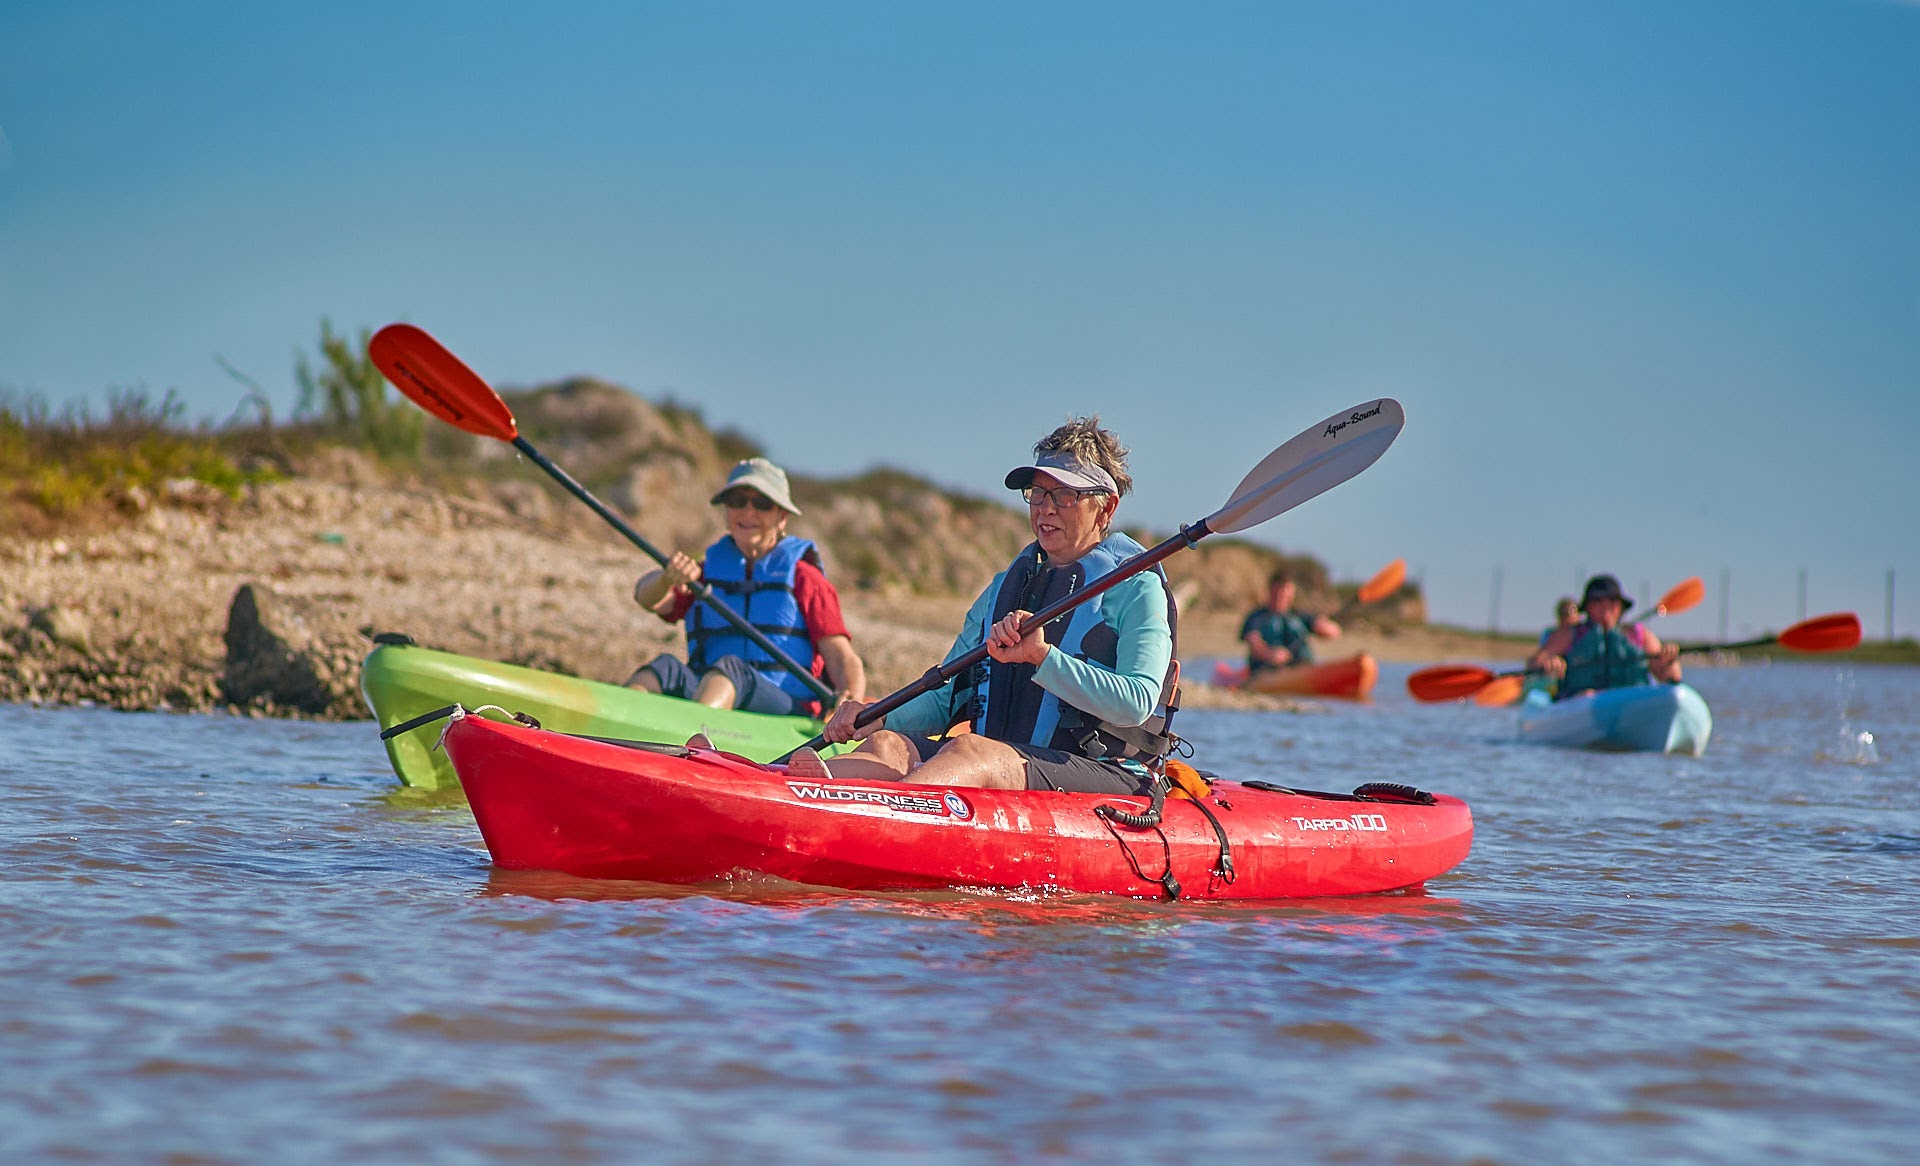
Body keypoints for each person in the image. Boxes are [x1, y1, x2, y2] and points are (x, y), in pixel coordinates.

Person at [789, 418, 1177, 793]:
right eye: (1038, 493)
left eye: (1065, 495)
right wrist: (875, 716)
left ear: (1106, 508)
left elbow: (1136, 702)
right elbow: (945, 699)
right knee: (889, 745)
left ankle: (884, 819)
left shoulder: (1136, 588)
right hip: (1005, 760)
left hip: (1101, 771)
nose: (1045, 508)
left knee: (968, 749)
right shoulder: (1003, 589)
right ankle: (800, 791)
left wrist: (1043, 657)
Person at [626, 457, 865, 718]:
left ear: (781, 517)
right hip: (712, 691)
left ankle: (690, 739)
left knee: (732, 670)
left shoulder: (805, 579)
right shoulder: (705, 573)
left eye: (762, 504)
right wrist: (666, 578)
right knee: (665, 668)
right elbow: (646, 598)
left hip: (786, 710)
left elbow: (842, 657)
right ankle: (613, 731)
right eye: (737, 502)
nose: (748, 512)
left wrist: (849, 703)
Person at [1529, 574, 1681, 699]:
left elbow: (1671, 677)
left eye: (1612, 601)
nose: (1605, 607)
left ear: (1620, 606)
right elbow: (1535, 662)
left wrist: (1669, 661)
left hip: (1631, 701)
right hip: (1581, 700)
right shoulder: (1570, 633)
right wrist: (1549, 663)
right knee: (1587, 695)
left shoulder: (1639, 634)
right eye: (1598, 601)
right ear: (1588, 607)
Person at [1240, 569, 1341, 676]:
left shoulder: (1300, 616)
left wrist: (1323, 626)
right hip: (1267, 672)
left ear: (1291, 594)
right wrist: (1270, 654)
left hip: (1300, 669)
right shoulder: (1256, 617)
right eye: (1277, 593)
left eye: (1284, 594)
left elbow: (1334, 632)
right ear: (1270, 591)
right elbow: (1253, 643)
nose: (1281, 597)